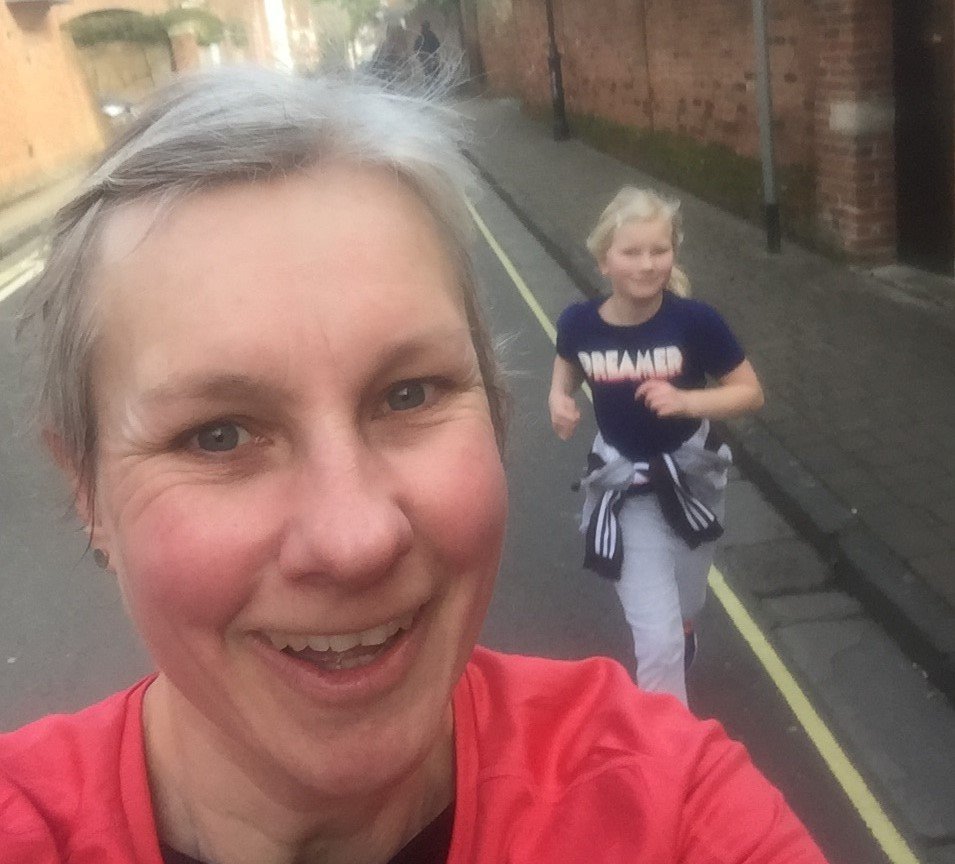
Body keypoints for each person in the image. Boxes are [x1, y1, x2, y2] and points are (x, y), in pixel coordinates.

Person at [0, 67, 825, 864]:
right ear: (87, 488)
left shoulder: (664, 803)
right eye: (218, 435)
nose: (356, 540)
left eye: (407, 395)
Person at [549, 187, 765, 705]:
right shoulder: (579, 322)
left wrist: (687, 402)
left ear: (673, 252)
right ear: (605, 260)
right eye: (631, 252)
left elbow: (750, 393)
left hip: (692, 478)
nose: (648, 265)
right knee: (658, 640)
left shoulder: (695, 322)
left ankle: (686, 627)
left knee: (687, 600)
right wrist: (558, 398)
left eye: (659, 250)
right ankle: (668, 753)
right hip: (625, 485)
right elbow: (568, 364)